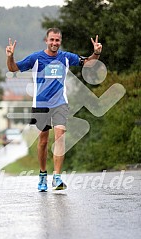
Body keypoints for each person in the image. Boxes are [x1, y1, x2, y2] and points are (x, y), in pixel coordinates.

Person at [6, 27, 102, 191]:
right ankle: (43, 176)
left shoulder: (66, 57)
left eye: (57, 40)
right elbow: (13, 68)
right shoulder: (36, 58)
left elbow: (87, 63)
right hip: (41, 105)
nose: (54, 43)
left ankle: (57, 177)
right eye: (52, 40)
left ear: (60, 41)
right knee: (43, 141)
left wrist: (96, 53)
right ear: (46, 40)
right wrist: (10, 56)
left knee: (60, 137)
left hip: (60, 104)